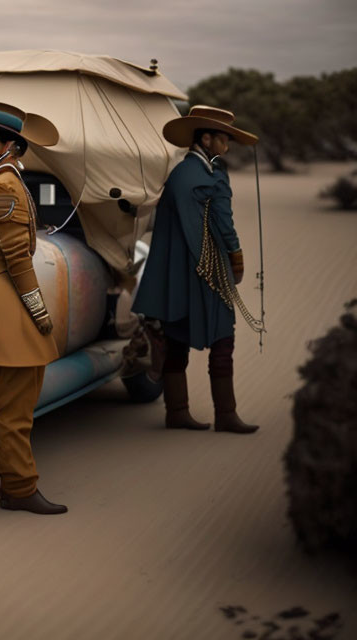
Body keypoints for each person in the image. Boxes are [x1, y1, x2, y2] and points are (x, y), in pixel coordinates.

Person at [0, 101, 66, 514]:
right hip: (11, 300)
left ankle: (14, 485)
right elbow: (18, 259)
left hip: (3, 297)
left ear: (10, 145)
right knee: (14, 407)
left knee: (10, 403)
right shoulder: (4, 185)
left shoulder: (0, 180)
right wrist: (39, 311)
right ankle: (20, 488)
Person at [133, 105, 259, 434]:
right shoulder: (209, 177)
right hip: (205, 269)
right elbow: (224, 225)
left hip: (176, 271)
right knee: (223, 338)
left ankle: (177, 411)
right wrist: (236, 259)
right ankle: (226, 415)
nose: (227, 146)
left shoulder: (179, 173)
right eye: (222, 139)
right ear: (205, 139)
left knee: (176, 337)